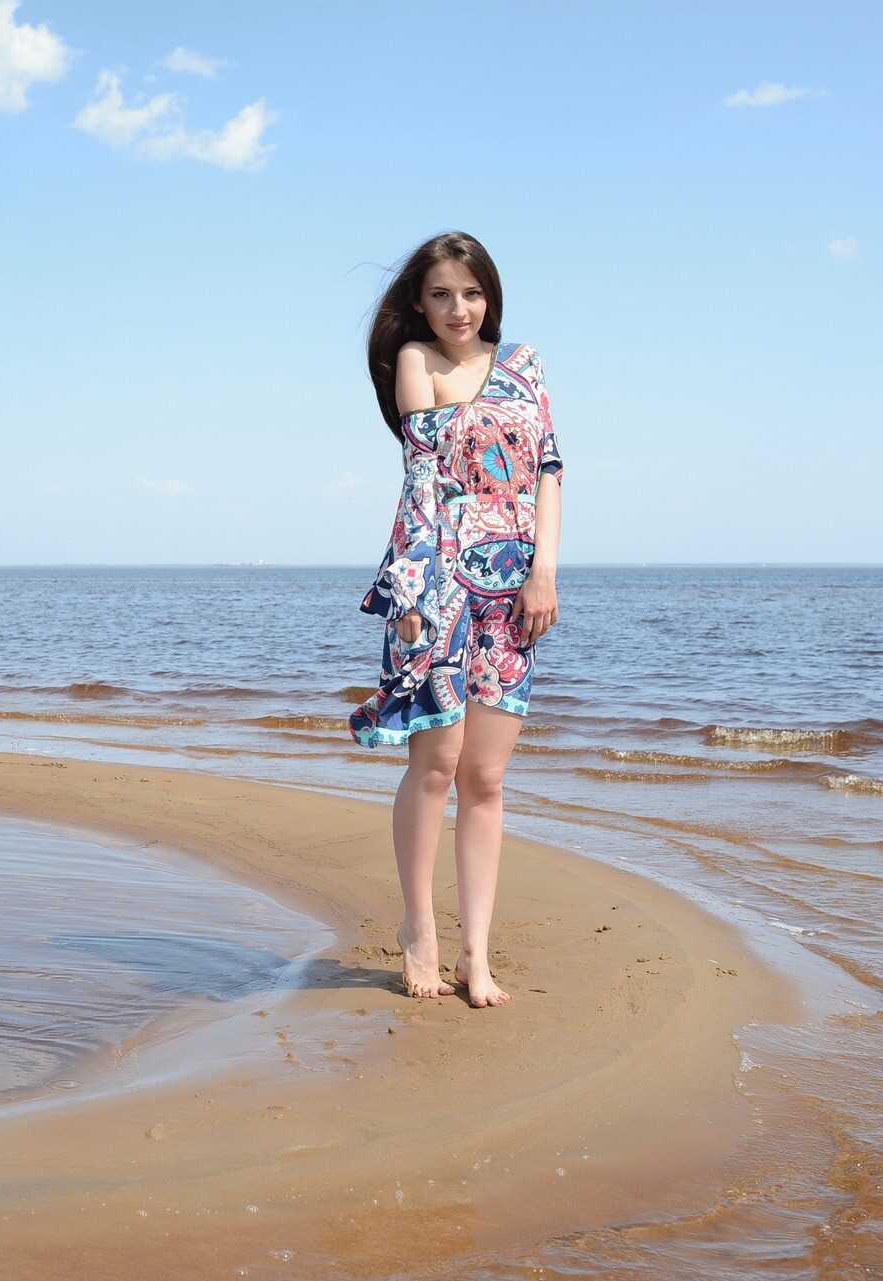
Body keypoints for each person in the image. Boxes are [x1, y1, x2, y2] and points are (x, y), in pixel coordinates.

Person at [349, 231, 565, 1009]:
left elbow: (548, 471)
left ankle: (477, 953)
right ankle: (420, 930)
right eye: (440, 294)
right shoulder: (418, 361)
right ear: (419, 301)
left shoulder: (526, 366)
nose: (458, 308)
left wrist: (544, 572)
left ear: (490, 296)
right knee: (436, 765)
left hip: (515, 592)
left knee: (486, 777)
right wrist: (407, 597)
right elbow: (422, 484)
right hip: (439, 582)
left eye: (470, 293)